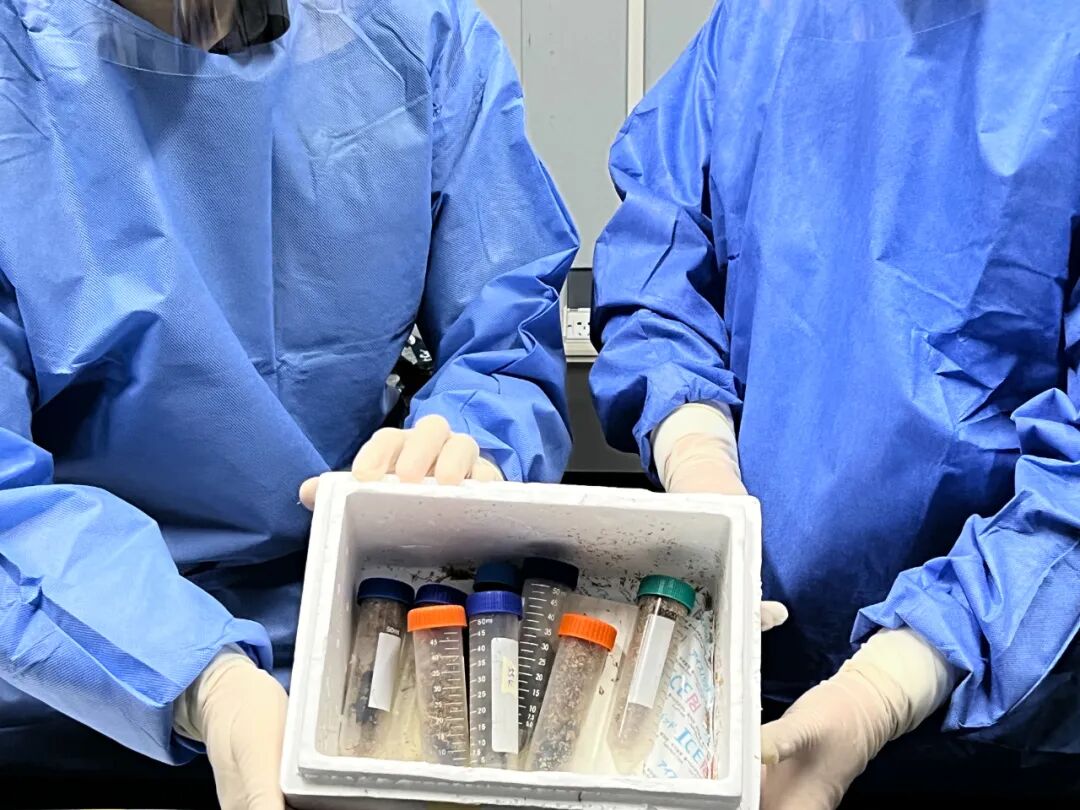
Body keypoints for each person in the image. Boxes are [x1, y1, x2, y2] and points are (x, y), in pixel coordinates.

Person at [0, 1, 576, 807]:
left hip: (359, 655)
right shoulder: (20, 76)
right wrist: (206, 681)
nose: (211, 28)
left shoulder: (417, 38)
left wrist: (467, 441)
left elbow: (506, 325)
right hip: (73, 680)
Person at [589, 2, 1080, 807]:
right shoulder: (758, 25)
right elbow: (661, 254)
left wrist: (884, 687)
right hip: (747, 674)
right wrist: (697, 451)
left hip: (993, 715)